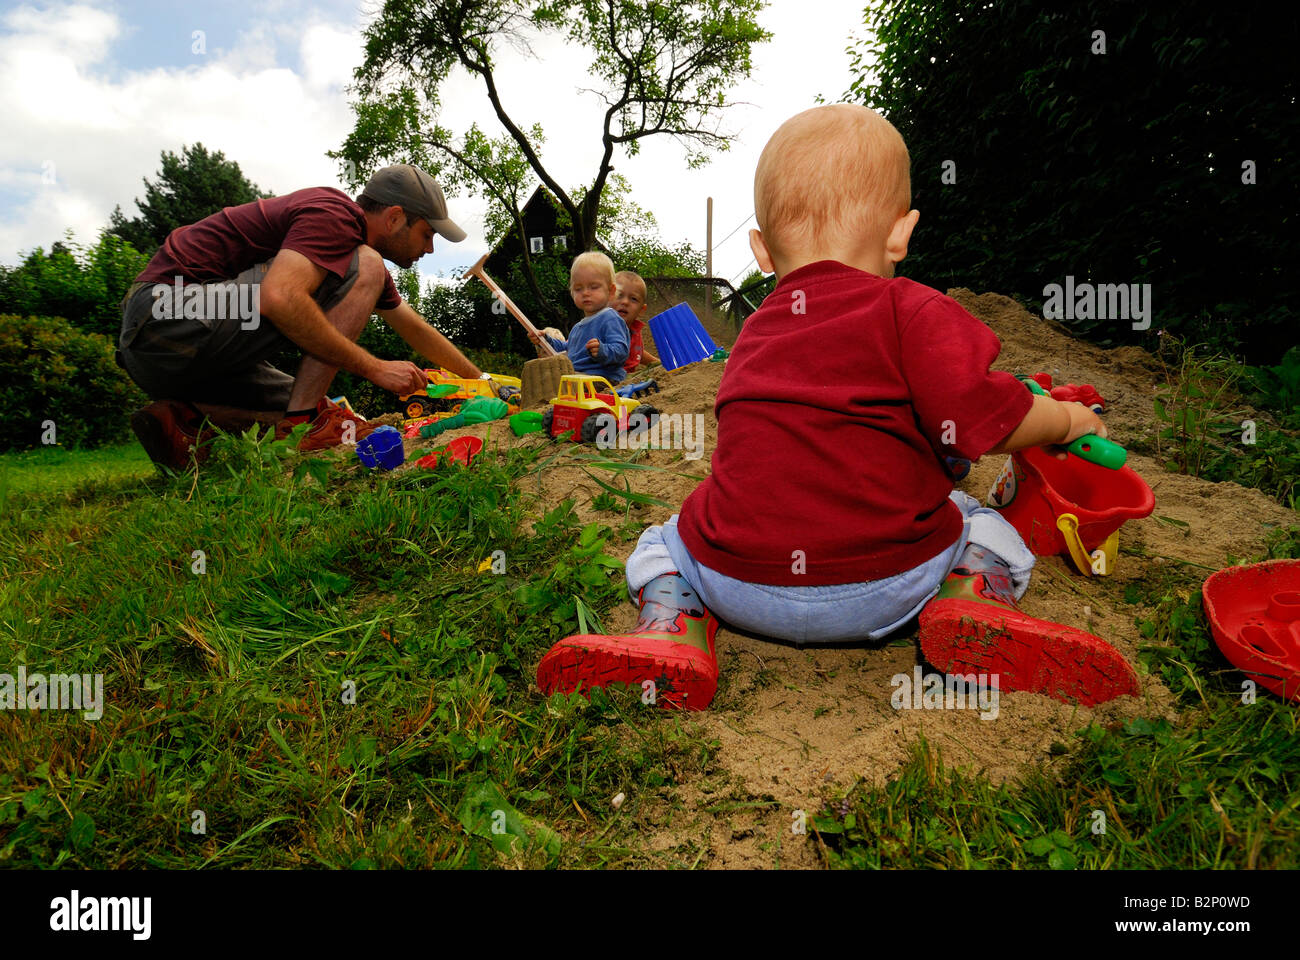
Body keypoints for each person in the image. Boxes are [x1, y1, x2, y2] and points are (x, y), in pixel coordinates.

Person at [536, 104, 1140, 711]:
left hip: (738, 583)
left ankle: (672, 631)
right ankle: (972, 602)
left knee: (660, 541)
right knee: (983, 519)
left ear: (762, 251)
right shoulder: (912, 308)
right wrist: (1068, 419)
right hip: (892, 583)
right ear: (901, 232)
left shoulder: (751, 335)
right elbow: (988, 414)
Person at [119, 163, 491, 468]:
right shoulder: (336, 214)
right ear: (394, 218)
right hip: (166, 312)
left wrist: (483, 381)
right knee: (309, 408)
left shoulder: (351, 255)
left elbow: (416, 329)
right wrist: (375, 368)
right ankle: (302, 424)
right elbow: (279, 296)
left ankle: (182, 419)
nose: (428, 248)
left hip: (174, 356)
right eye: (427, 234)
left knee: (324, 410)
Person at [529, 252, 629, 383]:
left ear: (610, 291)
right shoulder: (578, 327)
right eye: (578, 289)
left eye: (594, 287)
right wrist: (545, 340)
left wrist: (602, 350)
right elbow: (567, 348)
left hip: (603, 379)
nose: (586, 293)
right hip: (578, 378)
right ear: (572, 293)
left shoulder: (609, 318)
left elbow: (621, 351)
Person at [612, 271, 660, 374]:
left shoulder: (633, 330)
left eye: (633, 299)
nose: (625, 302)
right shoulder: (601, 326)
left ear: (641, 310)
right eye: (619, 295)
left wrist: (658, 363)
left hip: (624, 383)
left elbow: (637, 353)